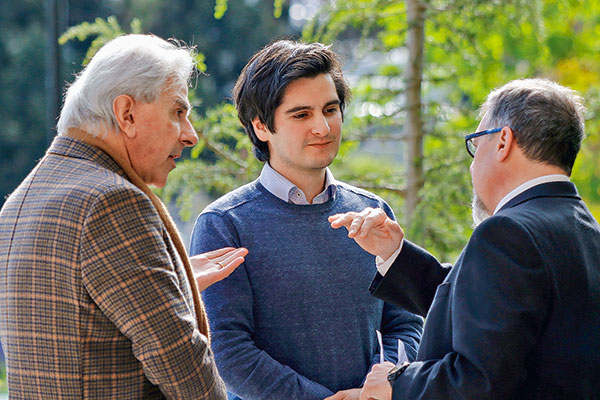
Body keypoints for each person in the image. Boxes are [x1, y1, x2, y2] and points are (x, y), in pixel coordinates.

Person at [0, 34, 248, 399]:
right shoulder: (112, 202)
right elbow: (185, 369)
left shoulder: (19, 202)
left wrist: (173, 283)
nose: (190, 135)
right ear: (127, 113)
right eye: (178, 112)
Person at [329, 78, 600, 399]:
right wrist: (395, 255)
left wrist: (396, 382)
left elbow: (478, 381)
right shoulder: (585, 229)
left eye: (475, 142)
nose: (473, 164)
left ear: (503, 142)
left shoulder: (507, 233)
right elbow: (491, 314)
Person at [190, 39, 423, 400]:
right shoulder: (223, 223)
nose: (323, 127)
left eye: (330, 110)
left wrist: (380, 386)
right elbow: (228, 350)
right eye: (301, 115)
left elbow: (405, 325)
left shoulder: (373, 213)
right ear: (261, 127)